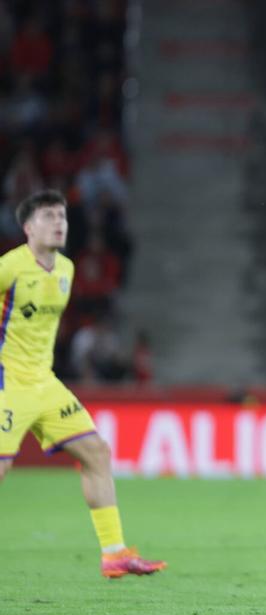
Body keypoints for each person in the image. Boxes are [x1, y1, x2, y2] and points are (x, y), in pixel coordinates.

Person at [0, 189, 165, 578]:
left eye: (62, 217)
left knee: (96, 452)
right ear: (27, 227)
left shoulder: (66, 270)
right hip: (7, 382)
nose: (59, 223)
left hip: (45, 382)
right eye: (48, 217)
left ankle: (114, 553)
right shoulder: (9, 267)